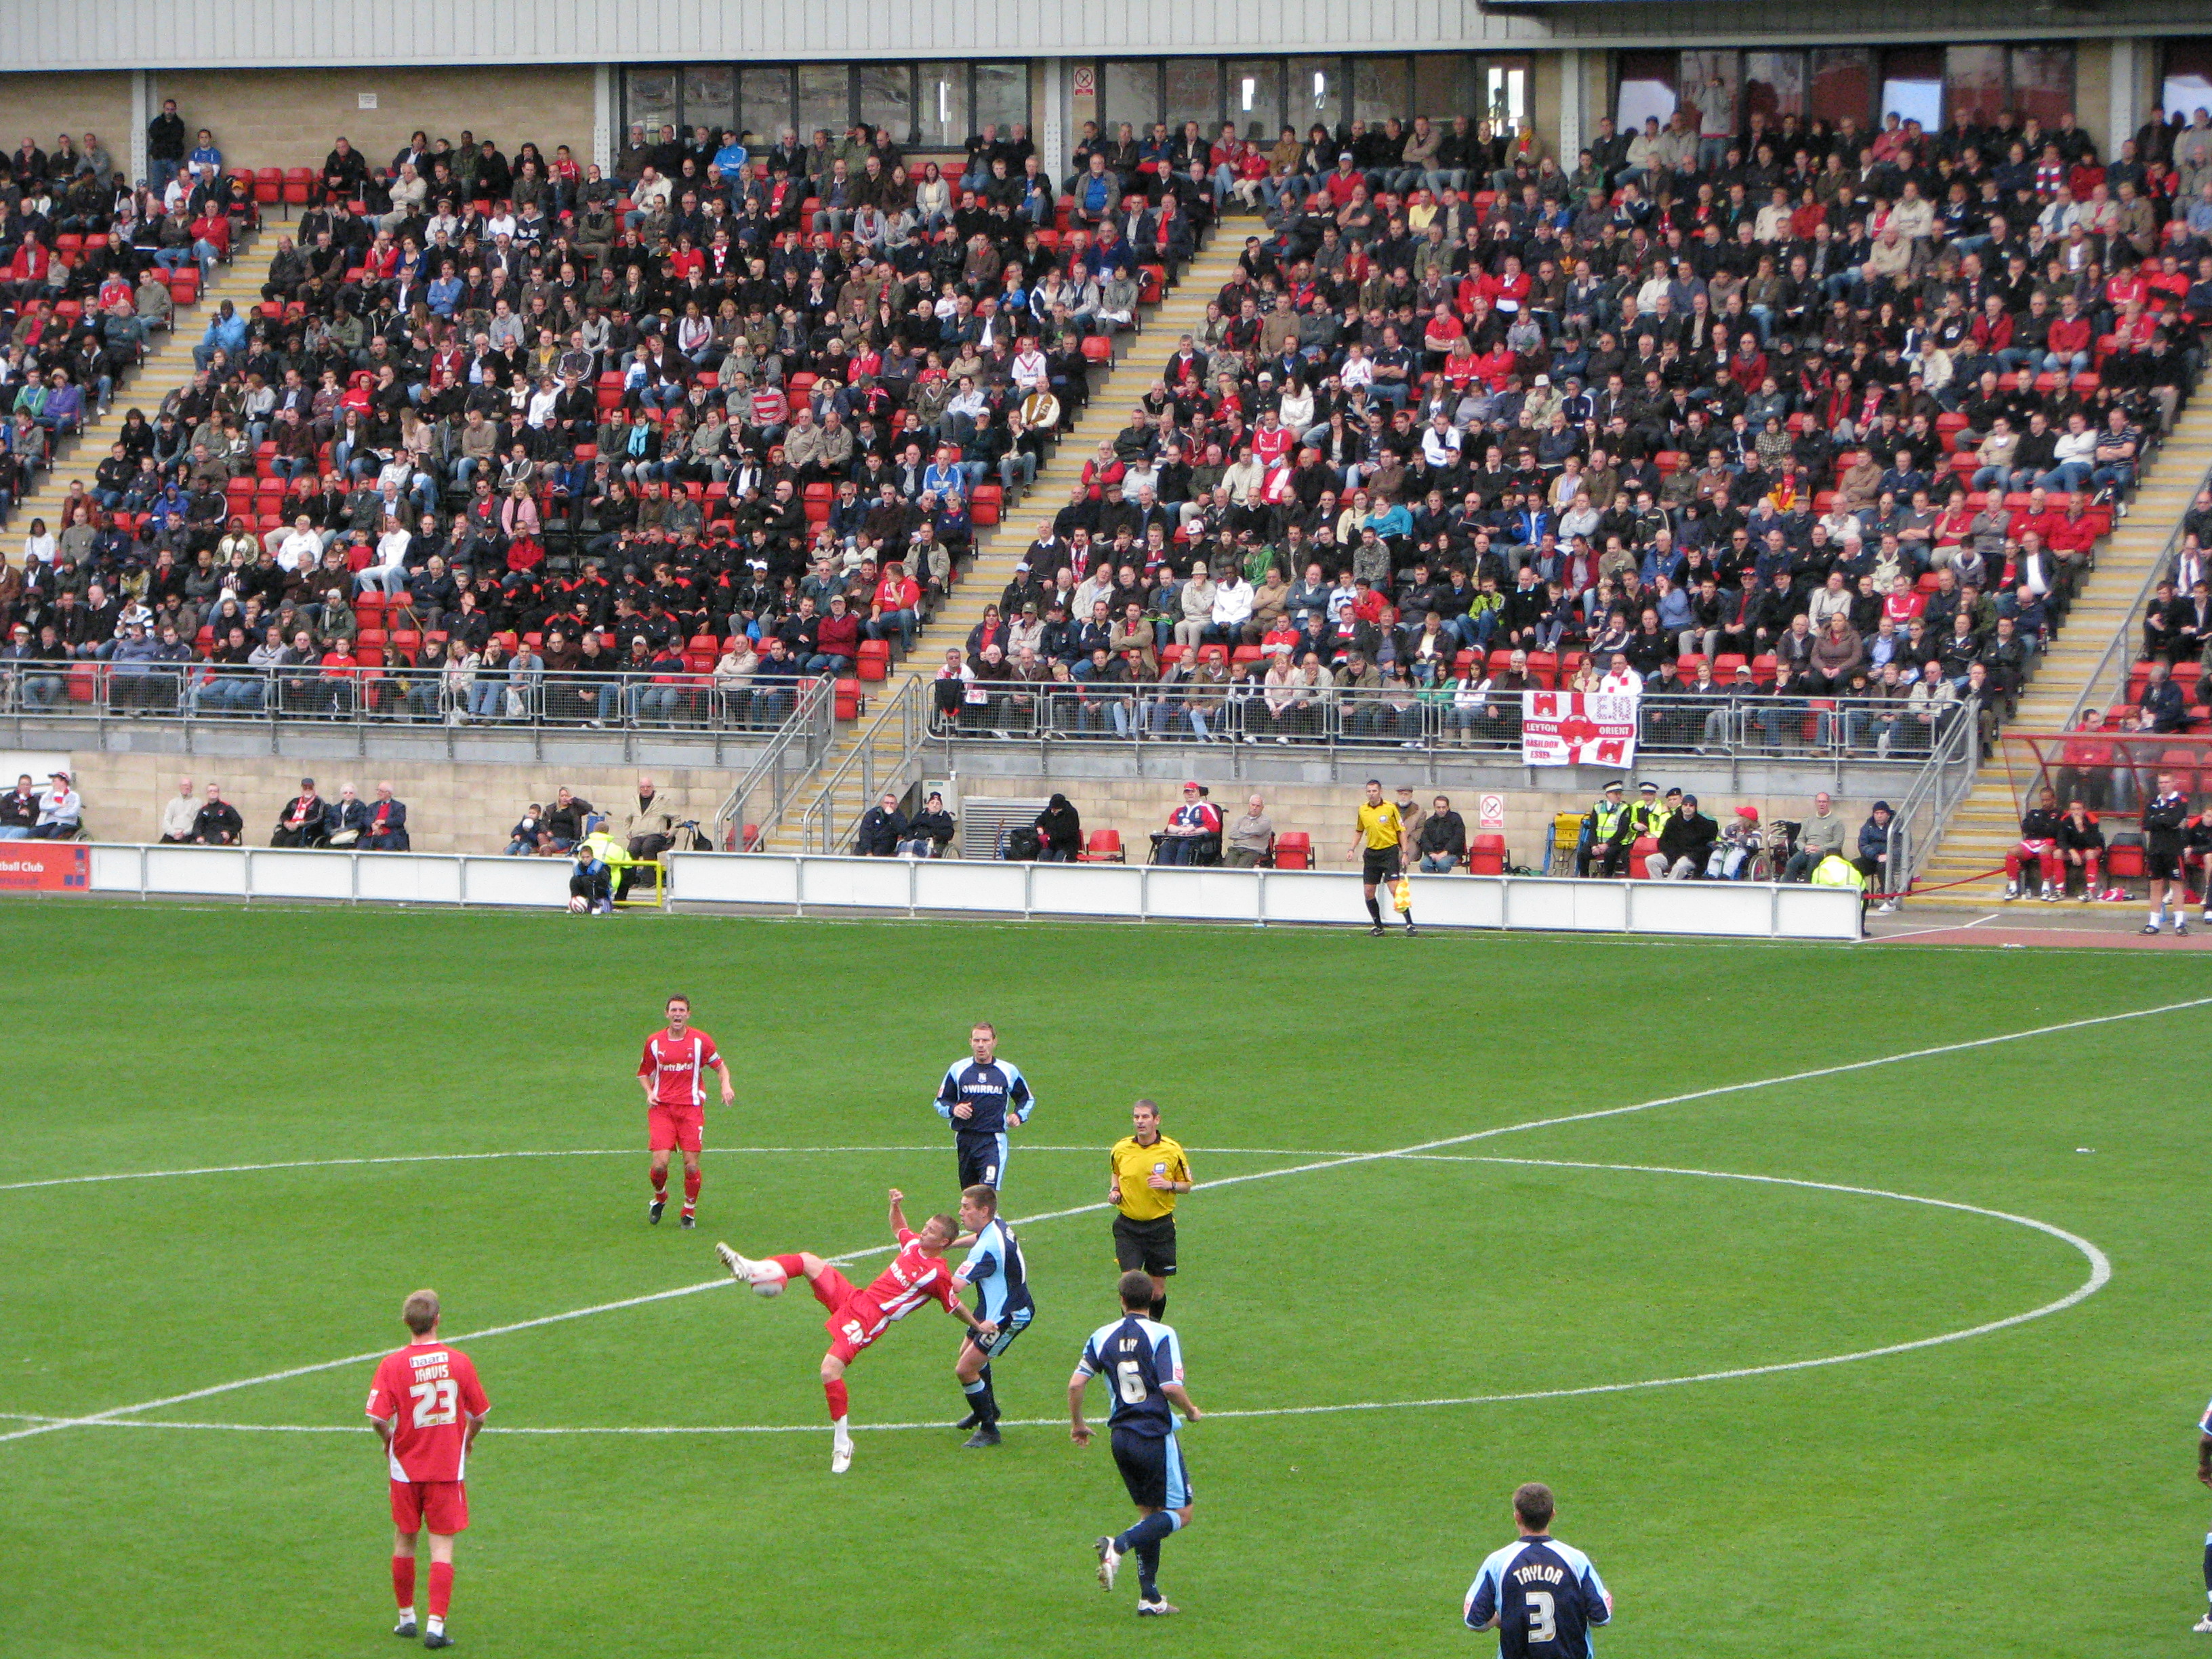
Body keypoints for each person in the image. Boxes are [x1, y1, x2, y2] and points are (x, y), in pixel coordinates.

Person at [714, 1188, 1000, 1475]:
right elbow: (900, 1228)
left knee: (829, 1371)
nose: (923, 1233)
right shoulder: (913, 1246)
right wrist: (895, 1206)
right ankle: (750, 1268)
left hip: (870, 1319)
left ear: (944, 1242)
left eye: (930, 1232)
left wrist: (978, 1326)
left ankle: (843, 1444)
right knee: (807, 1260)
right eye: (925, 1227)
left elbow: (953, 1306)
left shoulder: (936, 1274)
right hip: (856, 1299)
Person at [1070, 1269, 1202, 1618]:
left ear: (1122, 1299)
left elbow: (1075, 1384)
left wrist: (1079, 1424)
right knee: (1181, 1513)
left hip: (1121, 1438)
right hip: (1155, 1435)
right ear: (1153, 1299)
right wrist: (1190, 1410)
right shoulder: (1162, 1333)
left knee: (1149, 1515)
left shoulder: (1101, 1336)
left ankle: (1150, 1598)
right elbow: (1171, 1387)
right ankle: (1119, 1545)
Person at [364, 1289, 489, 1650]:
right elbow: (479, 1415)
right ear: (438, 1320)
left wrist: (388, 1438)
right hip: (447, 1468)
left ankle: (406, 1619)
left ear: (406, 1322)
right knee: (442, 1547)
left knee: (405, 1538)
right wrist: (468, 1438)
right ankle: (436, 1626)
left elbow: (376, 1417)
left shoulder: (391, 1365)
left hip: (405, 1468)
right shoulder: (460, 1362)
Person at [1462, 1481, 1613, 1656]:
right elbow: (1601, 1617)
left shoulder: (1498, 1562)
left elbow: (1475, 1621)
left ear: (1517, 1516)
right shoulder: (1575, 1560)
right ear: (1552, 1515)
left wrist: (1497, 1619)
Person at [948, 1183, 1034, 1449]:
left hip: (1008, 1313)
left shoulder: (986, 1250)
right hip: (993, 1306)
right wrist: (949, 1246)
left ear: (983, 1210)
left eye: (966, 1208)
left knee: (965, 1368)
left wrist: (925, 1272)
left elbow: (955, 1287)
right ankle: (987, 1407)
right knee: (968, 1353)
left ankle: (989, 1429)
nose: (961, 1213)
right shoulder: (996, 1224)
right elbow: (978, 1238)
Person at [636, 994, 733, 1227]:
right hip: (662, 1109)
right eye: (673, 1010)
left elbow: (720, 1068)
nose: (677, 1014)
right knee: (659, 1165)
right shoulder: (655, 1042)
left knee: (691, 1166)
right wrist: (650, 1092)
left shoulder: (701, 1041)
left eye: (681, 1011)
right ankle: (660, 1198)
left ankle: (688, 1211)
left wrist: (726, 1086)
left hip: (691, 1109)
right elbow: (643, 1073)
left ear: (688, 1014)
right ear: (667, 1014)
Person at [1108, 1098, 1191, 1322]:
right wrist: (1115, 1190)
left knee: (1156, 1292)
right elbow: (1116, 1173)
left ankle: (1151, 1332)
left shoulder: (1172, 1150)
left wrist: (1169, 1185)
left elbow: (1187, 1185)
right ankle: (1130, 1333)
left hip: (1160, 1227)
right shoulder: (1121, 1149)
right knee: (1129, 1287)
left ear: (1157, 1120)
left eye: (1145, 1117)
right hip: (1128, 1227)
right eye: (1136, 1117)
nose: (1140, 1122)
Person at [933, 1021, 1034, 1191]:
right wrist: (954, 1109)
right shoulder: (958, 1069)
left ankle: (993, 1217)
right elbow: (941, 1102)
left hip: (992, 1141)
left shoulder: (1007, 1071)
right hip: (965, 1140)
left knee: (986, 1195)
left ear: (994, 1042)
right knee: (970, 1197)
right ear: (970, 1042)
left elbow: (1027, 1099)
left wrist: (1018, 1116)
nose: (981, 1045)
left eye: (985, 1041)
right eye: (977, 1040)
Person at [1346, 777, 1416, 935]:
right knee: (1369, 891)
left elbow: (1401, 831)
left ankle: (1410, 924)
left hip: (1389, 852)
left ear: (1380, 792)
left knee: (1394, 889)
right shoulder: (1362, 810)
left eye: (1374, 791)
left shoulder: (1390, 808)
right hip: (1371, 854)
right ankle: (1378, 926)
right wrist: (1352, 848)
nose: (1372, 794)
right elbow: (1359, 830)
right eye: (1369, 791)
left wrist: (1404, 853)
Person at [2142, 770, 2191, 936]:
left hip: (2173, 849)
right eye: (2161, 783)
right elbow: (2147, 823)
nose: (2163, 786)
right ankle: (2153, 923)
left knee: (2176, 885)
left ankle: (2179, 923)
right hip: (2155, 849)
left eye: (2166, 782)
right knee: (2156, 885)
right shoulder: (2152, 802)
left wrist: (2159, 819)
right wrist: (2164, 819)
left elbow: (2175, 819)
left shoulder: (2180, 801)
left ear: (2173, 783)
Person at [2005, 785, 2064, 902]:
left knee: (2045, 851)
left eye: (2048, 800)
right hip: (2031, 843)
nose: (2045, 803)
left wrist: (2039, 827)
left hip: (2049, 843)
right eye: (2043, 800)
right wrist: (2044, 827)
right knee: (2011, 852)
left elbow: (2054, 831)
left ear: (2054, 800)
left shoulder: (2060, 814)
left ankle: (2046, 888)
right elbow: (2026, 827)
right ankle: (2012, 888)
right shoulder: (2034, 813)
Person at [1645, 792, 1717, 878]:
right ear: (1682, 806)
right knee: (1651, 860)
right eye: (1685, 805)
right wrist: (1671, 852)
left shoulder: (1704, 824)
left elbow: (1705, 848)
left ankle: (1669, 888)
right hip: (1672, 855)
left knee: (1680, 866)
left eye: (1691, 805)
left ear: (1695, 808)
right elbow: (1663, 841)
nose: (1688, 808)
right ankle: (1658, 885)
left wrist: (1688, 855)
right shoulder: (1672, 821)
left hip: (1692, 857)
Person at [1782, 792, 1847, 881]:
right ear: (1816, 803)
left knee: (1814, 858)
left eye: (1824, 802)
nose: (1822, 804)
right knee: (1791, 863)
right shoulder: (1808, 821)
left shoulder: (1837, 822)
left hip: (1824, 852)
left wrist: (1819, 848)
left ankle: (1809, 887)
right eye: (1819, 802)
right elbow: (1800, 840)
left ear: (1829, 803)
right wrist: (1805, 848)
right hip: (1807, 851)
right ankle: (1788, 889)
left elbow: (1838, 843)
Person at [1577, 779, 1634, 877]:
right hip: (1598, 842)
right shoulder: (1598, 806)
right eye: (1616, 794)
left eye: (1620, 793)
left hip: (1615, 843)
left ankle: (1608, 878)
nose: (1619, 796)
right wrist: (1594, 845)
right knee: (1583, 853)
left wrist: (1607, 844)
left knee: (1610, 853)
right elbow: (1593, 828)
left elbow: (1622, 830)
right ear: (1608, 794)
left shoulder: (1625, 808)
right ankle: (1584, 878)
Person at [1155, 780, 1222, 865]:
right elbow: (1170, 827)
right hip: (1178, 837)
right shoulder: (1179, 810)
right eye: (1187, 792)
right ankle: (1163, 873)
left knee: (1184, 848)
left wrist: (1193, 831)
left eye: (1193, 791)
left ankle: (1181, 873)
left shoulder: (1206, 808)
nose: (1190, 794)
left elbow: (1214, 826)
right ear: (1184, 795)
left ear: (1198, 793)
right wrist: (1184, 829)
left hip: (1195, 840)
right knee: (1166, 847)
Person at [271, 776, 329, 848]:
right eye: (305, 788)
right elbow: (284, 814)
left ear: (314, 789)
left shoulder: (318, 802)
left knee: (290, 841)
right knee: (277, 839)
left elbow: (317, 818)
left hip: (305, 829)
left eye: (310, 788)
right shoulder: (294, 801)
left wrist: (299, 824)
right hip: (289, 827)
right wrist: (286, 822)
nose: (307, 790)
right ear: (301, 789)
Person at [1417, 794, 1467, 873]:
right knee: (1425, 865)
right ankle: (1433, 884)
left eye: (1444, 807)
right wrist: (1431, 853)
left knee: (1442, 864)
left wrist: (1446, 852)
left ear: (1448, 807)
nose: (1441, 810)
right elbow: (1425, 839)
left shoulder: (1456, 819)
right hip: (1433, 853)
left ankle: (1442, 884)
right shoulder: (1429, 822)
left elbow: (1458, 838)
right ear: (1435, 808)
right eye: (1438, 807)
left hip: (1452, 854)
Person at [901, 790, 956, 857]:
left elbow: (949, 833)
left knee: (918, 847)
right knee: (904, 845)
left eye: (937, 804)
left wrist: (933, 833)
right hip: (917, 839)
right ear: (928, 805)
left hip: (935, 843)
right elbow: (911, 827)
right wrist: (910, 835)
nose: (935, 805)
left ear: (941, 806)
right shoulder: (921, 814)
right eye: (932, 803)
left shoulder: (945, 816)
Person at [1222, 794, 1273, 867]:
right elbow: (1231, 835)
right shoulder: (1240, 819)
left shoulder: (1265, 820)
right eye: (1253, 805)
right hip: (1236, 848)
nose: (1255, 808)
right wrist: (1251, 835)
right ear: (1249, 805)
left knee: (1241, 869)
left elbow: (1258, 831)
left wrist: (1241, 830)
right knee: (1227, 868)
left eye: (1258, 806)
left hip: (1253, 850)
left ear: (1262, 808)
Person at [30, 769, 81, 839]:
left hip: (67, 823)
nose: (52, 783)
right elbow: (42, 806)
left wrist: (53, 811)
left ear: (63, 782)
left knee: (53, 834)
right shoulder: (49, 794)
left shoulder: (74, 796)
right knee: (32, 832)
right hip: (50, 823)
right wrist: (59, 805)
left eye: (54, 781)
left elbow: (72, 813)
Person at [855, 790, 909, 856]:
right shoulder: (872, 814)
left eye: (892, 803)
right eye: (887, 803)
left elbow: (903, 831)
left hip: (885, 851)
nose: (889, 805)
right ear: (882, 804)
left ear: (896, 805)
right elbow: (865, 834)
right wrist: (868, 852)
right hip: (866, 850)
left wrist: (892, 815)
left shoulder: (899, 816)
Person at [188, 780, 242, 844]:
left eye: (215, 791)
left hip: (221, 836)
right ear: (207, 793)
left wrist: (229, 832)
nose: (213, 793)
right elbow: (197, 826)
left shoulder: (227, 807)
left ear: (218, 793)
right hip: (207, 836)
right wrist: (199, 836)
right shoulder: (203, 810)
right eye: (210, 791)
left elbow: (238, 822)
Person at [363, 781, 410, 851]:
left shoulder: (399, 806)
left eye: (381, 791)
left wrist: (384, 822)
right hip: (373, 834)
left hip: (390, 836)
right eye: (378, 790)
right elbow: (366, 818)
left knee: (388, 845)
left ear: (389, 793)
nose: (378, 793)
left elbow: (400, 820)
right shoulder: (372, 806)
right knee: (362, 846)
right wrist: (373, 825)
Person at [569, 842, 612, 914]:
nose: (585, 860)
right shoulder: (578, 868)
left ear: (592, 857)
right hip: (585, 890)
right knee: (574, 880)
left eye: (587, 857)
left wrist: (592, 879)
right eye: (583, 857)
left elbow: (605, 882)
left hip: (600, 891)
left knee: (587, 880)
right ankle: (574, 903)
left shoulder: (600, 866)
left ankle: (595, 906)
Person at [157, 775, 197, 843]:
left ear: (191, 788)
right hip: (172, 834)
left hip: (188, 835)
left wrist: (184, 833)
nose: (186, 787)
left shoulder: (197, 802)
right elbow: (166, 821)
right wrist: (174, 833)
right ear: (180, 787)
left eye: (188, 785)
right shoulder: (172, 802)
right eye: (184, 785)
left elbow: (196, 823)